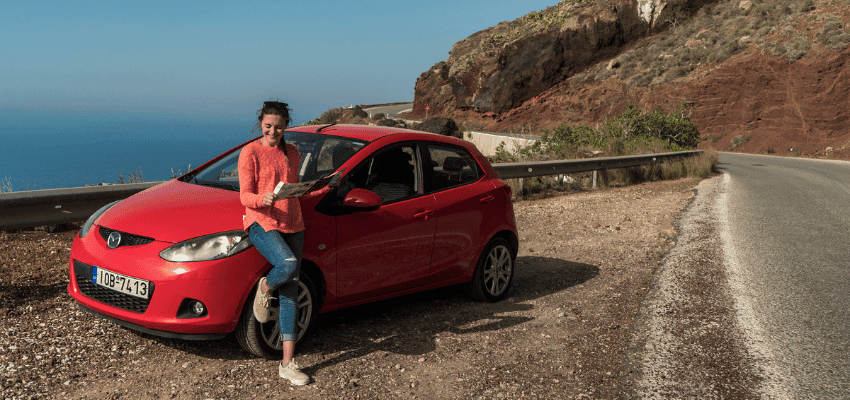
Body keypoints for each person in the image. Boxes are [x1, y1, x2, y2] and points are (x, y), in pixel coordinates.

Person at [238, 100, 310, 386]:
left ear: (285, 127)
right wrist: (262, 199)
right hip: (261, 222)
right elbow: (245, 195)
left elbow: (291, 187)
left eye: (278, 127)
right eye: (268, 126)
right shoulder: (250, 152)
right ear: (261, 124)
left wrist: (309, 188)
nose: (273, 131)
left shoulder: (292, 151)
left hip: (294, 223)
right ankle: (265, 287)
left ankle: (288, 363)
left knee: (291, 291)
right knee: (288, 265)